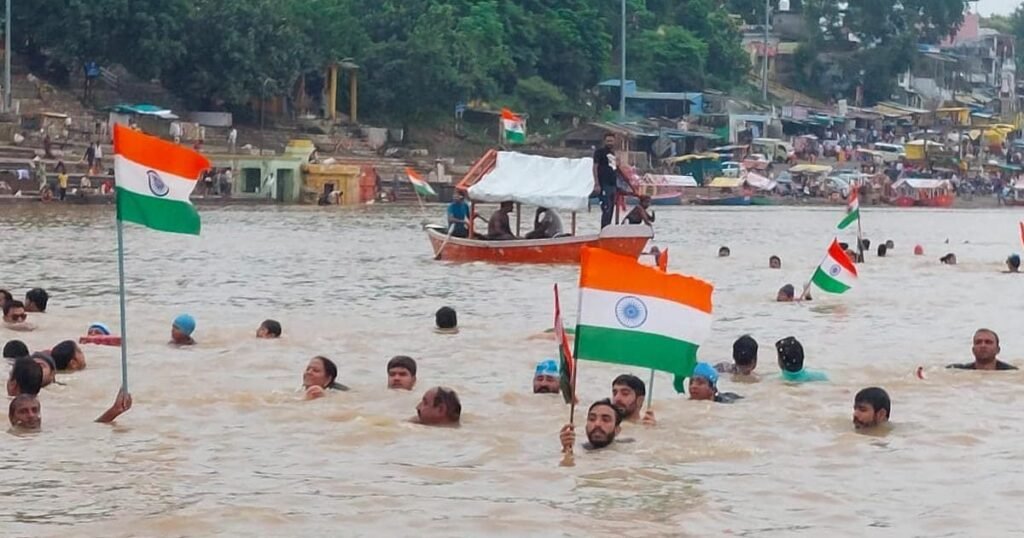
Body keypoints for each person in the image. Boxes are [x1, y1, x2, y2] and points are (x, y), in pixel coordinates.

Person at [9, 389, 133, 432]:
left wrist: (115, 410)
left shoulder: (53, 429)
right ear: (12, 418)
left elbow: (93, 427)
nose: (31, 415)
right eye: (23, 411)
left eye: (34, 410)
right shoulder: (11, 438)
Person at [947, 329, 1017, 370]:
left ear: (997, 350)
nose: (983, 345)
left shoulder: (1011, 372)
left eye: (988, 342)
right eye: (978, 342)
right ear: (973, 350)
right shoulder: (957, 370)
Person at [592, 133, 619, 228]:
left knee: (611, 209)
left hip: (613, 185)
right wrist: (597, 184)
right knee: (606, 208)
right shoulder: (599, 152)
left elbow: (615, 168)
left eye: (611, 141)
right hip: (604, 185)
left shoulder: (613, 154)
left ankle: (608, 229)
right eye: (608, 141)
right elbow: (595, 167)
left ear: (614, 141)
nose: (610, 143)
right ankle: (603, 230)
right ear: (604, 141)